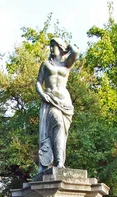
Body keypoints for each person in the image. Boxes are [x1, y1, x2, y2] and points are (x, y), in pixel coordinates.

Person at [36, 37, 79, 172]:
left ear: (60, 47)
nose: (50, 49)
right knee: (58, 123)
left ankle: (60, 162)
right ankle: (58, 162)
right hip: (50, 101)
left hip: (65, 103)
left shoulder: (66, 64)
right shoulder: (46, 64)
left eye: (53, 46)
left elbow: (76, 52)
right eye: (50, 46)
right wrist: (43, 94)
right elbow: (38, 82)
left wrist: (67, 48)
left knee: (62, 132)